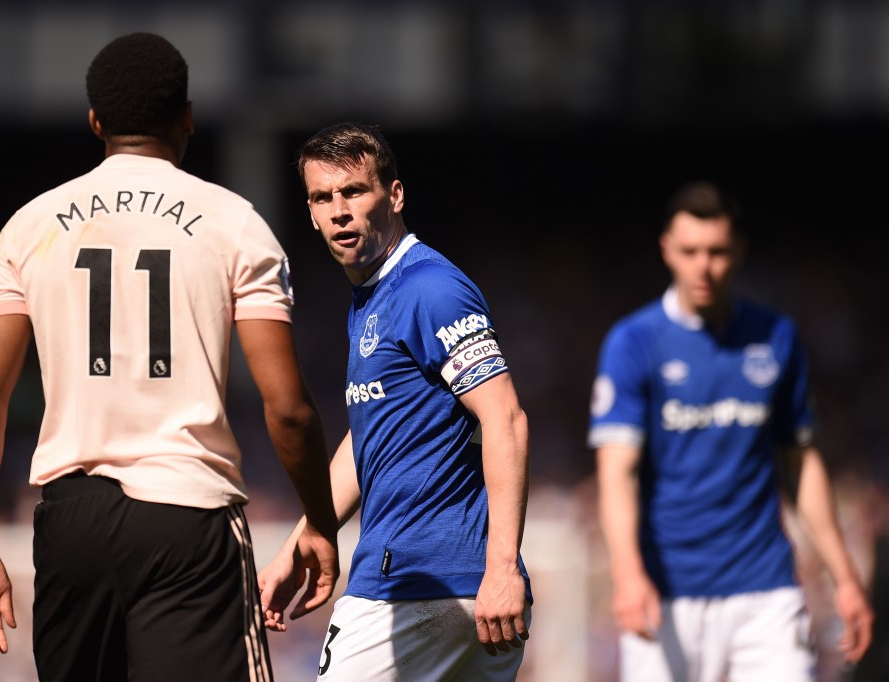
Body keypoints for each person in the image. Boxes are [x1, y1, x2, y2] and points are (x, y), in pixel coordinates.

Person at [0, 32, 340, 681]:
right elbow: (289, 410)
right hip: (189, 517)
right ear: (186, 116)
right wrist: (322, 524)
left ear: (95, 122)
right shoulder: (233, 222)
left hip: (70, 522)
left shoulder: (32, 224)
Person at [257, 122, 533, 681]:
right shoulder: (374, 294)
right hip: (444, 594)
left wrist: (503, 567)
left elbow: (505, 416)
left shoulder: (429, 287)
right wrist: (310, 530)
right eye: (321, 197)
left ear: (395, 195)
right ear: (310, 213)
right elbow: (374, 438)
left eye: (354, 191)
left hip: (416, 585)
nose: (338, 210)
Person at [588, 180, 875, 682]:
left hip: (765, 591)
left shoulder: (776, 337)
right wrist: (628, 574)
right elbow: (616, 473)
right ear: (667, 250)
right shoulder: (634, 342)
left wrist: (845, 577)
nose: (704, 266)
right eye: (690, 251)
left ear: (739, 251)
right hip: (667, 591)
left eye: (717, 251)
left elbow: (800, 461)